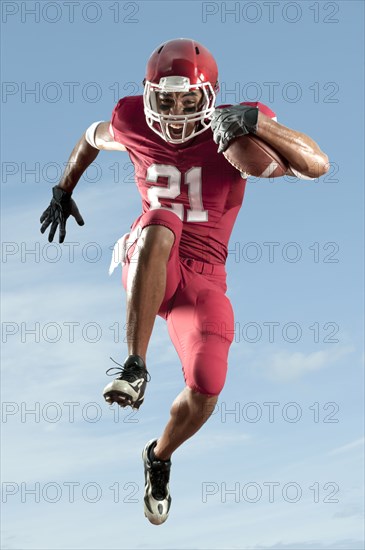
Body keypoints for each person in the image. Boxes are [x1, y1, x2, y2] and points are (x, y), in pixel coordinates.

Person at [40, 38, 329, 525]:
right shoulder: (132, 120)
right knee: (160, 220)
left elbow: (316, 165)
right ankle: (134, 365)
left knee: (207, 385)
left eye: (188, 100)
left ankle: (159, 455)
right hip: (152, 260)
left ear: (209, 97)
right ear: (149, 95)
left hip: (204, 279)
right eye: (166, 100)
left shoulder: (238, 124)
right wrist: (63, 188)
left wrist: (260, 126)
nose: (175, 112)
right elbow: (90, 138)